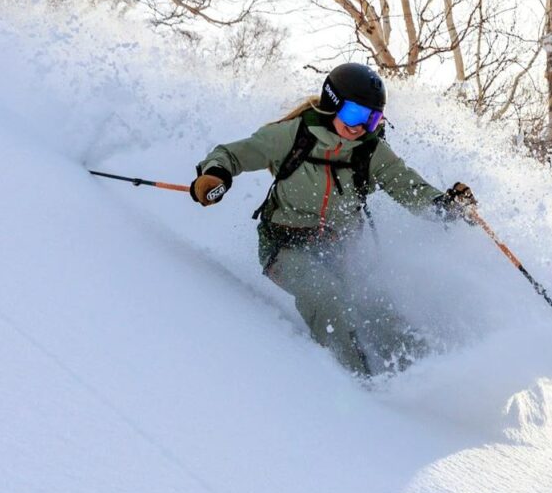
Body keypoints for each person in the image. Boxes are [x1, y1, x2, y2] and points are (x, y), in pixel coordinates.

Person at [190, 63, 477, 376]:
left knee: (379, 306)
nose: (359, 126)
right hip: (284, 247)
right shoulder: (293, 136)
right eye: (354, 114)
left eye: (372, 118)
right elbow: (234, 154)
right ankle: (354, 384)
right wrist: (214, 175)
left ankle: (427, 378)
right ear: (332, 104)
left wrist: (445, 206)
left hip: (340, 251)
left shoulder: (370, 151)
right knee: (325, 294)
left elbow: (405, 184)